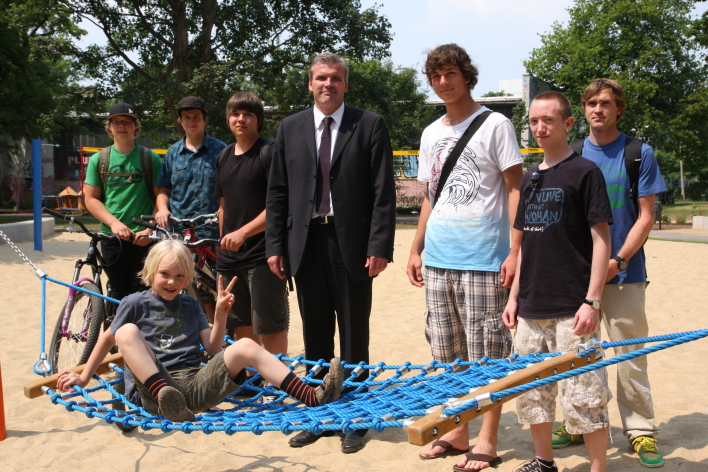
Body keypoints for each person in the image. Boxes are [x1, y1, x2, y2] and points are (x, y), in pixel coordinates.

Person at [265, 52, 396, 453]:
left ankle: (356, 417)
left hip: (352, 246)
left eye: (335, 78)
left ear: (345, 84)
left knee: (354, 333)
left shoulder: (369, 124)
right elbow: (278, 192)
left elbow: (382, 192)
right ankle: (319, 413)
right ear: (310, 84)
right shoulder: (290, 128)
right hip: (305, 244)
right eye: (321, 78)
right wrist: (275, 245)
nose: (328, 84)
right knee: (315, 332)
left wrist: (379, 246)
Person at [56, 240, 343, 421]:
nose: (172, 282)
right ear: (151, 272)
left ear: (188, 278)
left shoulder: (191, 305)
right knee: (125, 331)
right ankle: (167, 397)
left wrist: (220, 315)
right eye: (165, 274)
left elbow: (213, 348)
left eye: (180, 276)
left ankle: (311, 396)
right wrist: (84, 375)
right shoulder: (134, 303)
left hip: (193, 388)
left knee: (244, 345)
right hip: (154, 391)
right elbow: (107, 339)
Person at [407, 44, 522, 471]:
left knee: (488, 354)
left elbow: (515, 189)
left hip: (484, 258)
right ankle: (457, 430)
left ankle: (487, 439)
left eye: (450, 73)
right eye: (436, 76)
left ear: (466, 75)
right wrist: (416, 247)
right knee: (446, 352)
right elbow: (428, 196)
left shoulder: (496, 124)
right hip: (438, 256)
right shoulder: (430, 132)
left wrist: (516, 250)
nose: (443, 82)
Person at [551, 78, 667, 468]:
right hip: (578, 276)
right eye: (590, 103)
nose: (597, 109)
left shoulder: (638, 153)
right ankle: (578, 423)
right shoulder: (573, 152)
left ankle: (640, 431)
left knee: (631, 355)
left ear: (619, 109)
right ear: (581, 110)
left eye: (605, 103)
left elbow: (646, 216)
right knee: (578, 354)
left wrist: (617, 259)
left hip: (625, 273)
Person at [502, 91, 613, 472]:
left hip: (572, 305)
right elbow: (525, 245)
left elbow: (601, 239)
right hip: (532, 305)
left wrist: (592, 300)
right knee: (533, 392)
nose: (539, 128)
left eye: (548, 120)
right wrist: (514, 296)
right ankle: (543, 461)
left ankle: (597, 466)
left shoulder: (585, 172)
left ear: (568, 124)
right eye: (533, 121)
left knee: (584, 393)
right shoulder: (531, 177)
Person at [216, 91, 288, 359]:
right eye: (235, 114)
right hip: (230, 256)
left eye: (248, 114)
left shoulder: (269, 152)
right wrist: (224, 241)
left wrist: (243, 233)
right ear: (228, 119)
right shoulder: (222, 156)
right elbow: (223, 206)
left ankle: (279, 382)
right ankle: (250, 379)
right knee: (240, 324)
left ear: (259, 120)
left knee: (269, 324)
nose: (241, 119)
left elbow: (279, 205)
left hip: (263, 255)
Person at [155, 96, 226, 323]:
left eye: (196, 117)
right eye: (186, 117)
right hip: (179, 231)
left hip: (212, 229)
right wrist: (162, 208)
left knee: (218, 284)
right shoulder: (173, 153)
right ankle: (207, 333)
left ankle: (221, 334)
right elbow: (162, 187)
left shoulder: (221, 150)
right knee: (192, 284)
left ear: (205, 120)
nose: (191, 121)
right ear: (181, 121)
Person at [83, 102, 162, 301]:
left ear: (136, 126)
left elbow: (160, 199)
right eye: (116, 122)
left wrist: (150, 229)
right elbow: (90, 199)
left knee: (144, 292)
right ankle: (114, 330)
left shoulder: (150, 159)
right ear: (109, 127)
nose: (122, 126)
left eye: (127, 122)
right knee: (117, 291)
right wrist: (114, 223)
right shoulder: (99, 159)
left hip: (142, 238)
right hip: (112, 237)